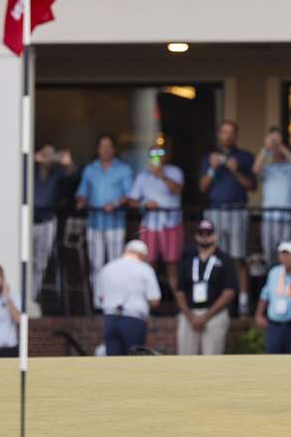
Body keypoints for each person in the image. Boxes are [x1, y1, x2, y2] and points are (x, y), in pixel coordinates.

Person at [199, 119, 255, 313]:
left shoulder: (245, 157)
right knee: (215, 257)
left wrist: (235, 170)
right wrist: (213, 168)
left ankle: (243, 301)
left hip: (237, 210)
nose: (228, 136)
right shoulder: (209, 157)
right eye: (224, 132)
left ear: (236, 135)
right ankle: (217, 298)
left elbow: (252, 187)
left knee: (238, 257)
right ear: (218, 134)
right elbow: (203, 187)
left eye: (231, 132)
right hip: (215, 211)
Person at [76, 134, 133, 308]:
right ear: (97, 149)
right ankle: (99, 301)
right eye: (102, 146)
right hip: (95, 223)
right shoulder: (90, 169)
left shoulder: (123, 169)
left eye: (109, 146)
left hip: (115, 223)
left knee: (115, 263)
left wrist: (115, 204)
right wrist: (81, 201)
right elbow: (82, 192)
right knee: (96, 264)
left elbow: (130, 195)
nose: (105, 150)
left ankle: (115, 300)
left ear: (114, 149)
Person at [128, 139, 184, 292]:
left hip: (171, 224)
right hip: (150, 224)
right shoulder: (142, 176)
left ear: (166, 155)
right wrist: (144, 205)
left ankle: (178, 300)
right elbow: (132, 200)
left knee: (172, 263)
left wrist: (162, 175)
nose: (157, 156)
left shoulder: (175, 171)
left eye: (160, 153)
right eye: (153, 153)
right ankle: (150, 299)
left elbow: (177, 189)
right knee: (148, 262)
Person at [175, 219, 238, 355]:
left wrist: (207, 316)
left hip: (214, 314)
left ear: (214, 235)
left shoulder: (225, 260)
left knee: (212, 358)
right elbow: (180, 291)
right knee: (185, 357)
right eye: (201, 233)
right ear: (196, 236)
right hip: (189, 314)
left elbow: (229, 291)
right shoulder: (188, 260)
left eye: (208, 233)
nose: (204, 237)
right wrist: (190, 316)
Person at [96, 240, 162, 356]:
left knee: (113, 362)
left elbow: (100, 298)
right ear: (142, 255)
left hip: (110, 318)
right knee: (134, 360)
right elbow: (154, 300)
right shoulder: (145, 269)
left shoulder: (107, 268)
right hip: (134, 319)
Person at [33, 144, 74, 301]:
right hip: (29, 220)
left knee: (41, 262)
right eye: (45, 155)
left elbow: (71, 178)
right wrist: (33, 158)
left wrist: (68, 164)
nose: (48, 158)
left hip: (48, 219)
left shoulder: (57, 174)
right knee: (26, 259)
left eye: (52, 155)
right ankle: (24, 296)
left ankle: (33, 295)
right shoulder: (31, 171)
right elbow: (15, 166)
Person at [253, 126, 291, 266]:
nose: (275, 145)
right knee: (269, 253)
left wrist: (280, 146)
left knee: (286, 252)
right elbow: (255, 170)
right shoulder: (268, 168)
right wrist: (266, 148)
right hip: (269, 216)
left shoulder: (290, 167)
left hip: (286, 215)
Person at [255, 242, 291, 354]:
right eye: (282, 254)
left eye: (288, 254)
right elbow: (265, 294)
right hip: (274, 325)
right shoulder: (274, 272)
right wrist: (259, 314)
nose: (285, 258)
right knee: (272, 359)